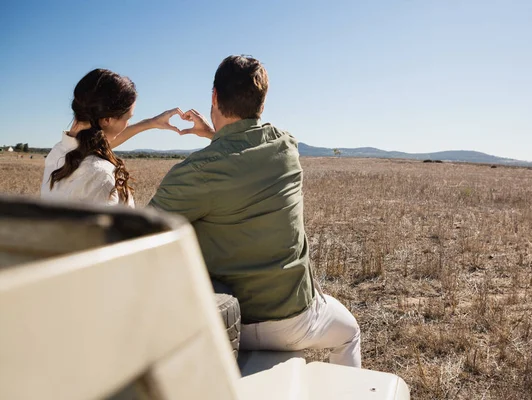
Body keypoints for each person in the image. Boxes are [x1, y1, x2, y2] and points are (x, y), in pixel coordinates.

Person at [149, 55, 361, 367]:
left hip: (229, 322)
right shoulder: (285, 146)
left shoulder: (194, 172)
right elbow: (244, 152)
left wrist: (213, 136)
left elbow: (142, 234)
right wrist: (215, 134)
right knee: (349, 332)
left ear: (214, 97)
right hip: (297, 319)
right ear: (261, 103)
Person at [41, 68, 183, 207]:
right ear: (106, 120)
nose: (128, 124)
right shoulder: (101, 176)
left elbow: (100, 141)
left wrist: (151, 123)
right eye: (128, 118)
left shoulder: (58, 152)